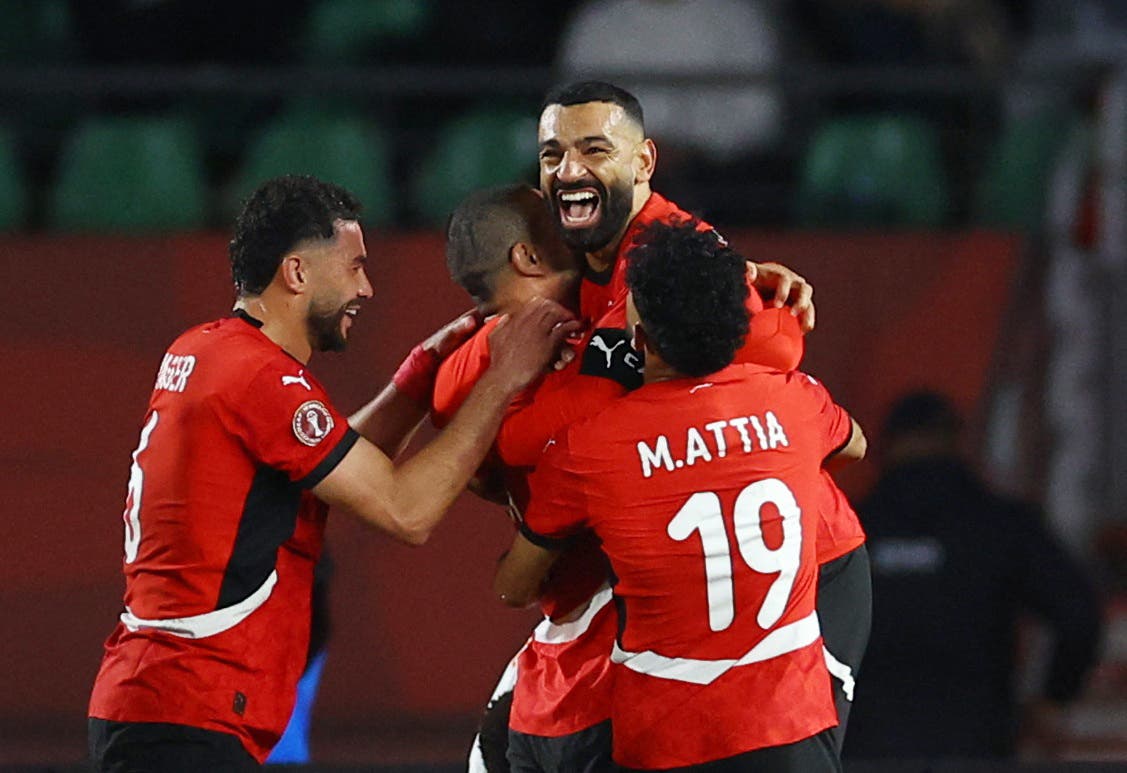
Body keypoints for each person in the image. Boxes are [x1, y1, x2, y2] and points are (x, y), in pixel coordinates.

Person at [86, 175, 579, 772]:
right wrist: (502, 381)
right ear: (296, 273)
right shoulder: (260, 379)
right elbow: (406, 510)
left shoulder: (207, 350)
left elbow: (331, 462)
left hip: (159, 704)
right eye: (353, 267)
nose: (366, 288)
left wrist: (418, 377)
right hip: (186, 720)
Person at [536, 80, 870, 752]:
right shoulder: (607, 256)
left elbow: (776, 341)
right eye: (550, 154)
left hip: (804, 566)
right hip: (700, 562)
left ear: (642, 162)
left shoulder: (676, 251)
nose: (567, 169)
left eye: (592, 149)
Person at [497, 220, 867, 770]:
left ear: (639, 341)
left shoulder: (590, 449)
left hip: (669, 742)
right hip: (789, 731)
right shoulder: (797, 401)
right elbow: (854, 445)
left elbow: (514, 586)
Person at [844, 391, 1103, 760]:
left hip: (867, 745)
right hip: (973, 742)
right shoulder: (1001, 525)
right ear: (954, 439)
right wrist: (1053, 698)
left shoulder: (845, 528)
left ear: (886, 445)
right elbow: (1078, 615)